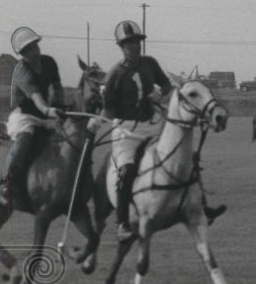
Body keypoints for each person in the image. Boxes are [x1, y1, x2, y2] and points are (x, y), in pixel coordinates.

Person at [89, 20, 224, 241]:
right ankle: (122, 222)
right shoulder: (114, 73)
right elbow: (109, 109)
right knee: (125, 171)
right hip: (126, 133)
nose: (134, 46)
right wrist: (97, 120)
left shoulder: (149, 63)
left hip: (152, 126)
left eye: (137, 42)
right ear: (121, 47)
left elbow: (168, 85)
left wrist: (158, 96)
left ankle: (202, 206)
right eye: (129, 43)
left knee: (186, 160)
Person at [0, 27, 66, 212]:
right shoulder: (22, 70)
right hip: (23, 115)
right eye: (28, 50)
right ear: (22, 54)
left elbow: (58, 87)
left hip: (43, 114)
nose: (34, 52)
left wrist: (61, 104)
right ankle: (6, 182)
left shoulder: (49, 62)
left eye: (34, 47)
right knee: (25, 138)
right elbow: (37, 99)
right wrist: (48, 109)